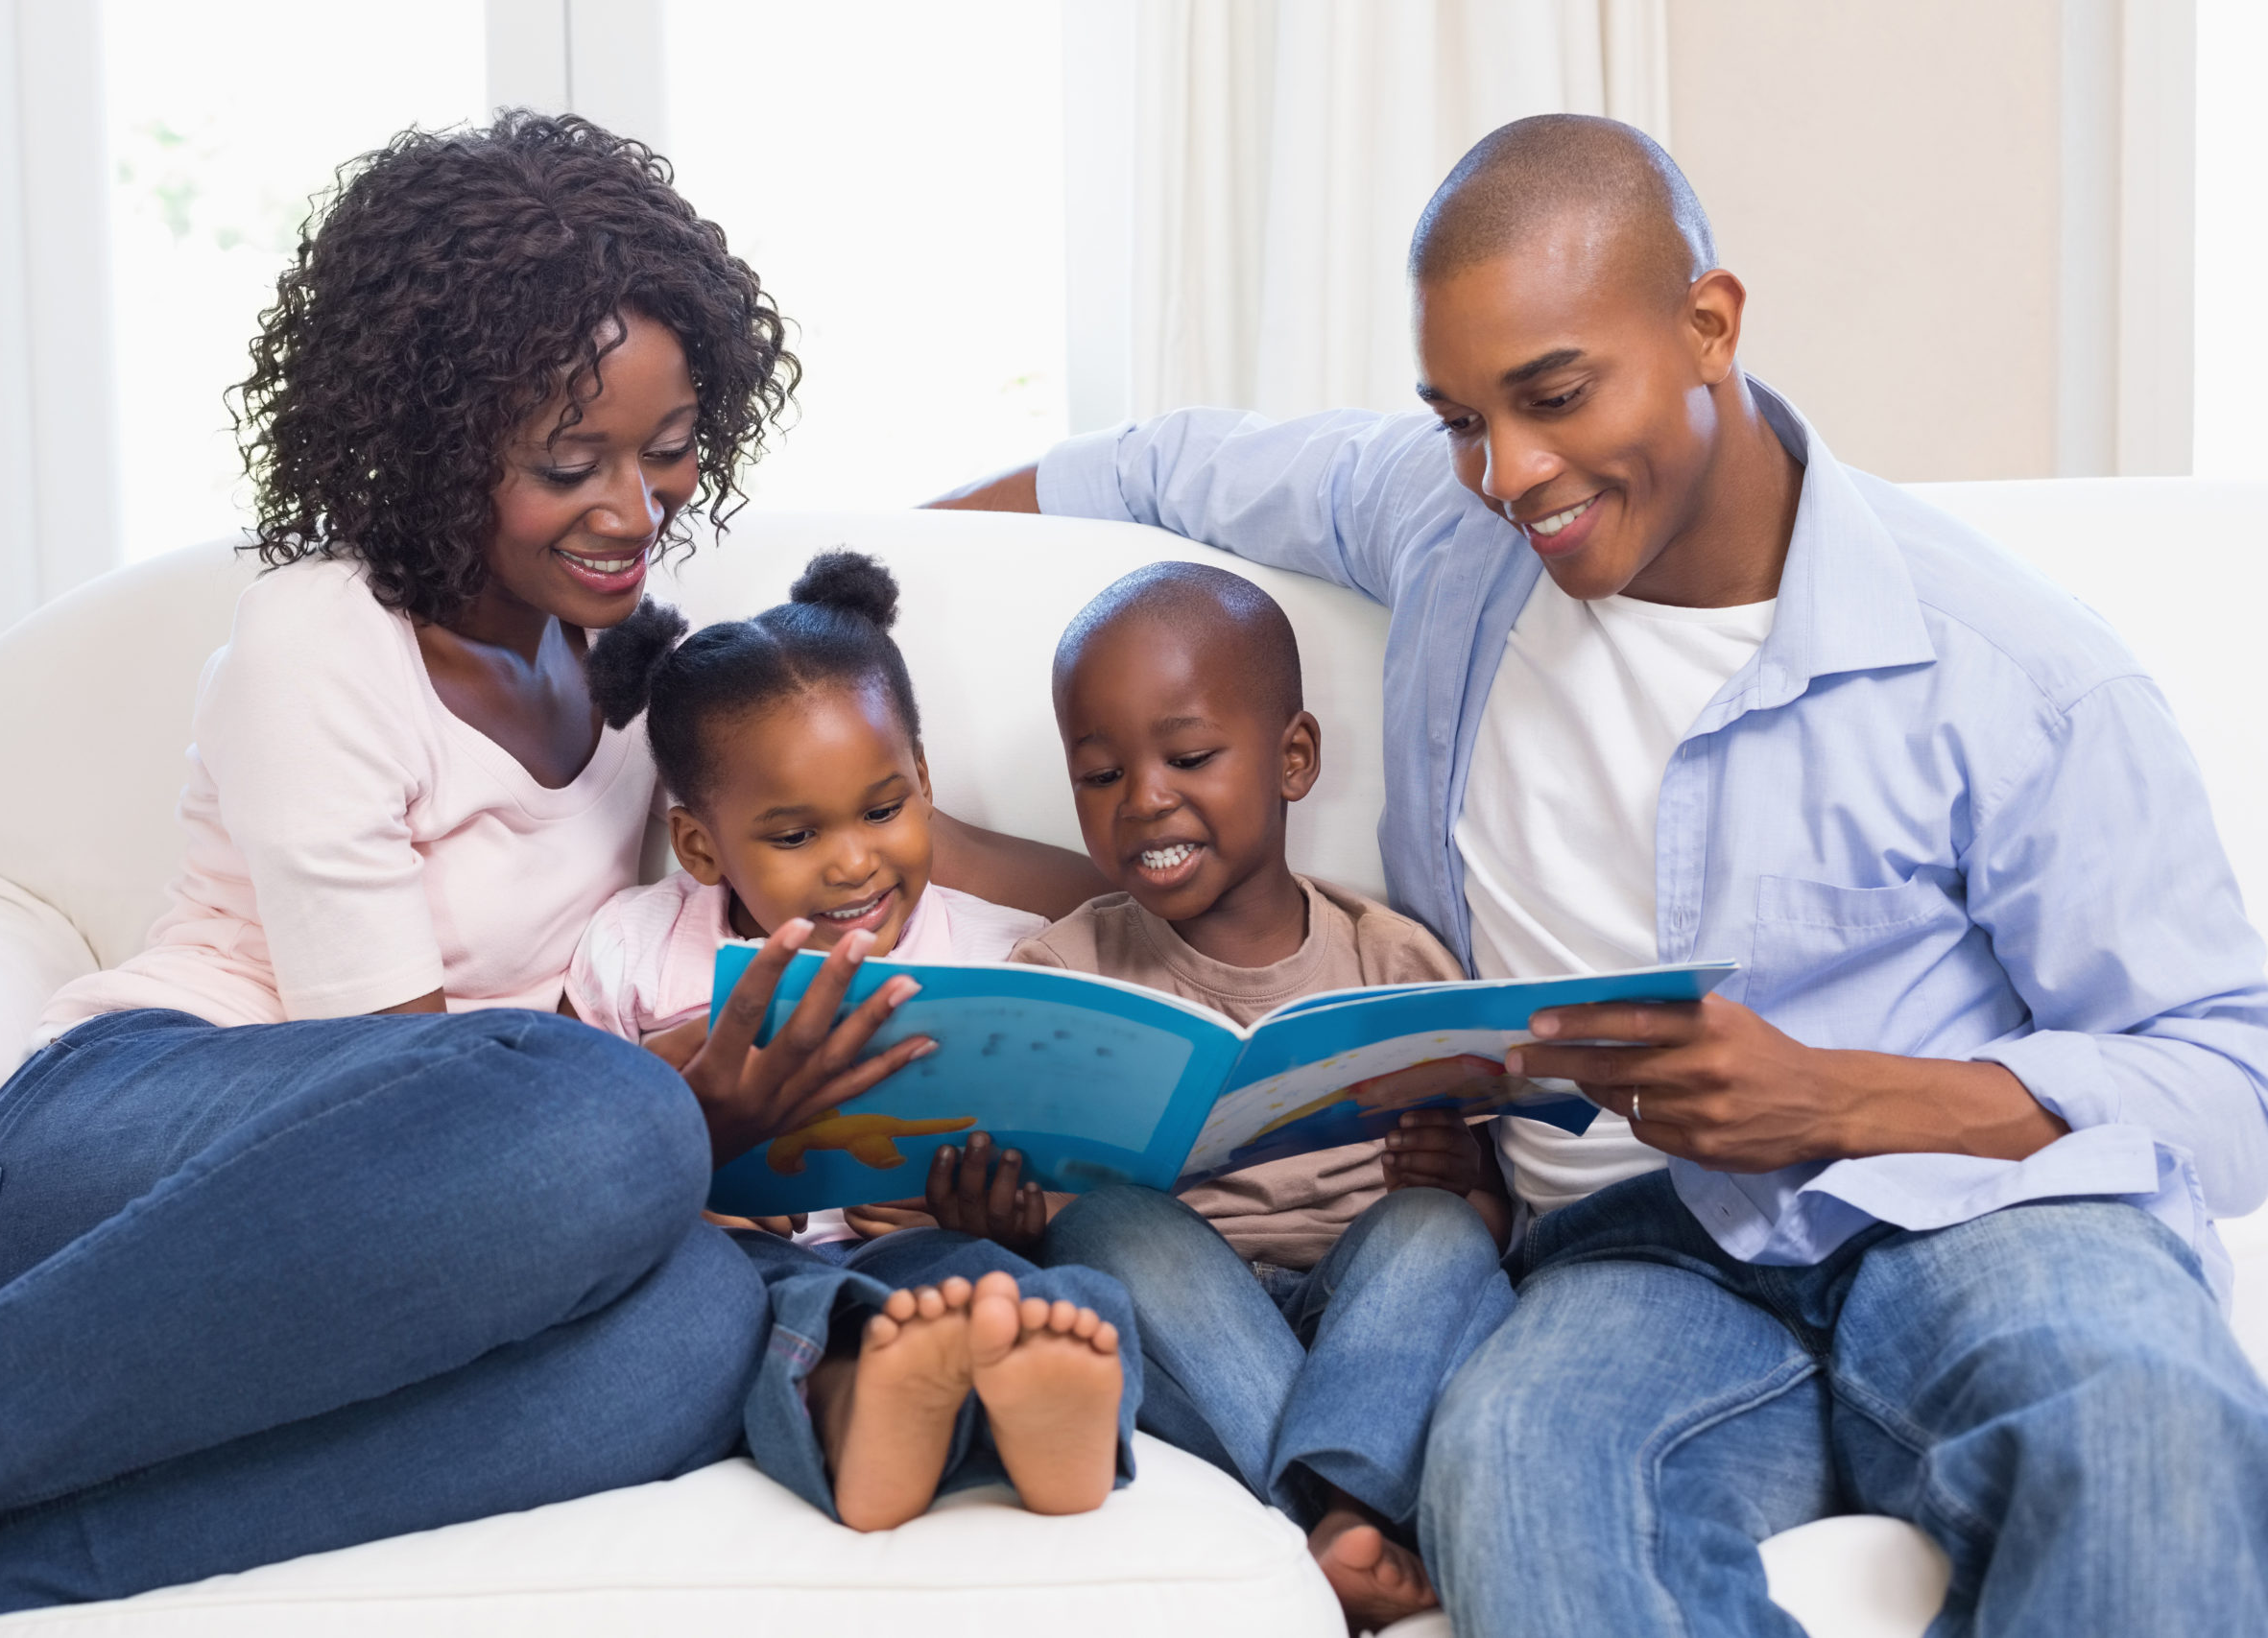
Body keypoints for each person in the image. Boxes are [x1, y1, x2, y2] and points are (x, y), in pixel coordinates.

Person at [935, 113, 2268, 1636]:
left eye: (1557, 395)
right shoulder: (1450, 526)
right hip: (1632, 1246)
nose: (1510, 471)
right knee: (1508, 1460)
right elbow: (1157, 460)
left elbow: (2231, 1070)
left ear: (1711, 326)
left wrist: (1838, 1096)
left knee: (2154, 1430)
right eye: (1460, 415)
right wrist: (829, 574)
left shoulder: (2012, 667)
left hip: (1977, 1211)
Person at [0, 114, 1093, 1636]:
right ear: (437, 443)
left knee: (692, 1325)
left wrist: (1159, 904)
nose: (635, 508)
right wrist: (683, 1105)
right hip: (101, 1185)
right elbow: (416, 1086)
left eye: (670, 446)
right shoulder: (324, 640)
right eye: (570, 463)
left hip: (440, 1232)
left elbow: (934, 853)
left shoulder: (635, 670)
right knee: (607, 1113)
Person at [894, 561, 1516, 1629]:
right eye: (1098, 776)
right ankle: (1345, 1507)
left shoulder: (1394, 958)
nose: (1143, 800)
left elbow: (1491, 1227)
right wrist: (1002, 1220)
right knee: (1119, 1226)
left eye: (1187, 757)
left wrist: (1460, 1185)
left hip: (1374, 1319)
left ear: (1292, 758)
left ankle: (1310, 1511)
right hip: (1192, 1329)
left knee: (1431, 1233)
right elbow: (1055, 1230)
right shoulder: (1061, 974)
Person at [570, 550, 1135, 1531]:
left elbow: (1056, 1161)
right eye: (793, 837)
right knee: (752, 1305)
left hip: (926, 1247)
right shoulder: (637, 951)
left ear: (921, 778)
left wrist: (1008, 1214)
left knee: (1064, 1298)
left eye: (883, 810)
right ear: (702, 846)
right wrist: (704, 1201)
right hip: (742, 1271)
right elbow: (576, 1149)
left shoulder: (1002, 954)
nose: (853, 863)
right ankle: (869, 1415)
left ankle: (1037, 1426)